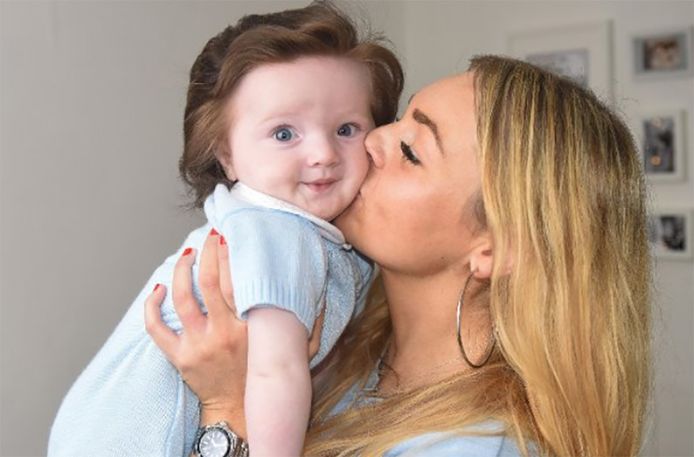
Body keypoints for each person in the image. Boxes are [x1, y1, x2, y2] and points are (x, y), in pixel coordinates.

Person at [146, 54, 652, 457]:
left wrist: (227, 410)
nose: (372, 139)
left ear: (495, 249)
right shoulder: (345, 331)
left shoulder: (475, 447)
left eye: (412, 151)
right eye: (399, 119)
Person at [48, 3, 403, 457]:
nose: (323, 153)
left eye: (347, 129)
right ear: (227, 156)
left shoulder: (298, 231)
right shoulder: (278, 233)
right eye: (284, 134)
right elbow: (276, 373)